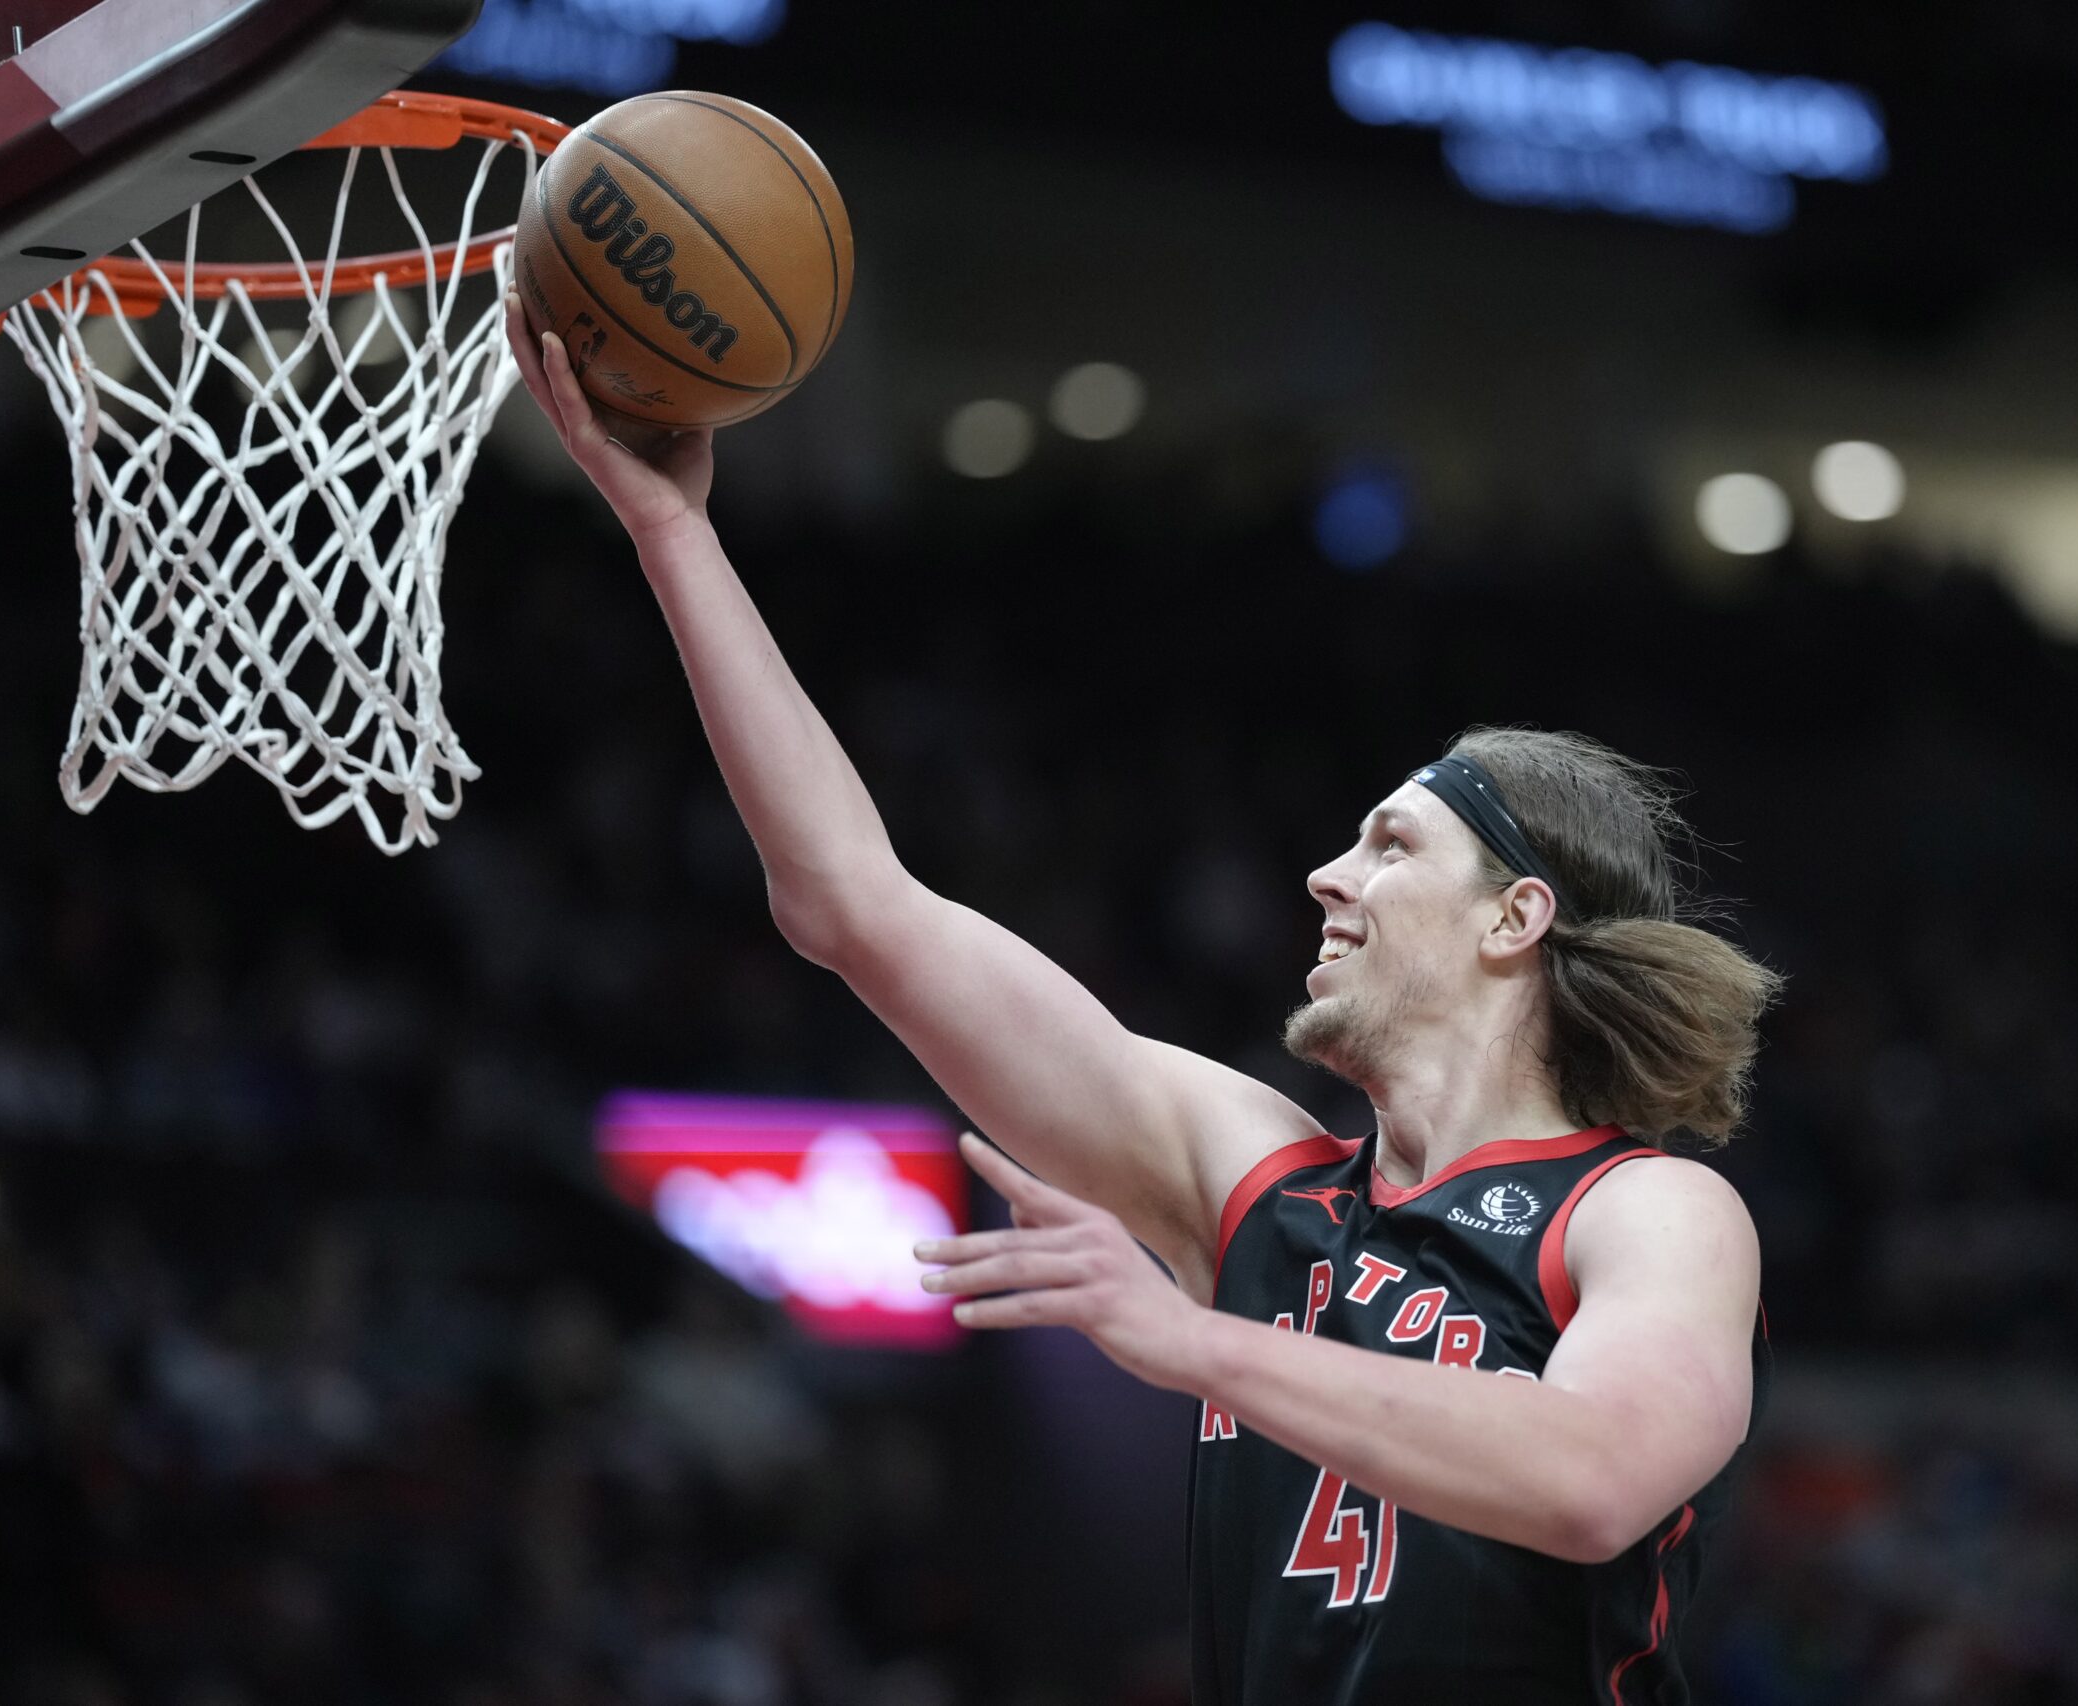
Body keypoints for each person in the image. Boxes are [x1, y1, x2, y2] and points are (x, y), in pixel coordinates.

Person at [501, 300, 1779, 1706]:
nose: (1324, 874)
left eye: (1391, 844)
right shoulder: (1257, 1186)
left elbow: (1593, 1478)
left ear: (1515, 916)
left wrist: (1189, 1342)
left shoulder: (1645, 1209)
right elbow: (854, 905)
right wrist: (676, 540)